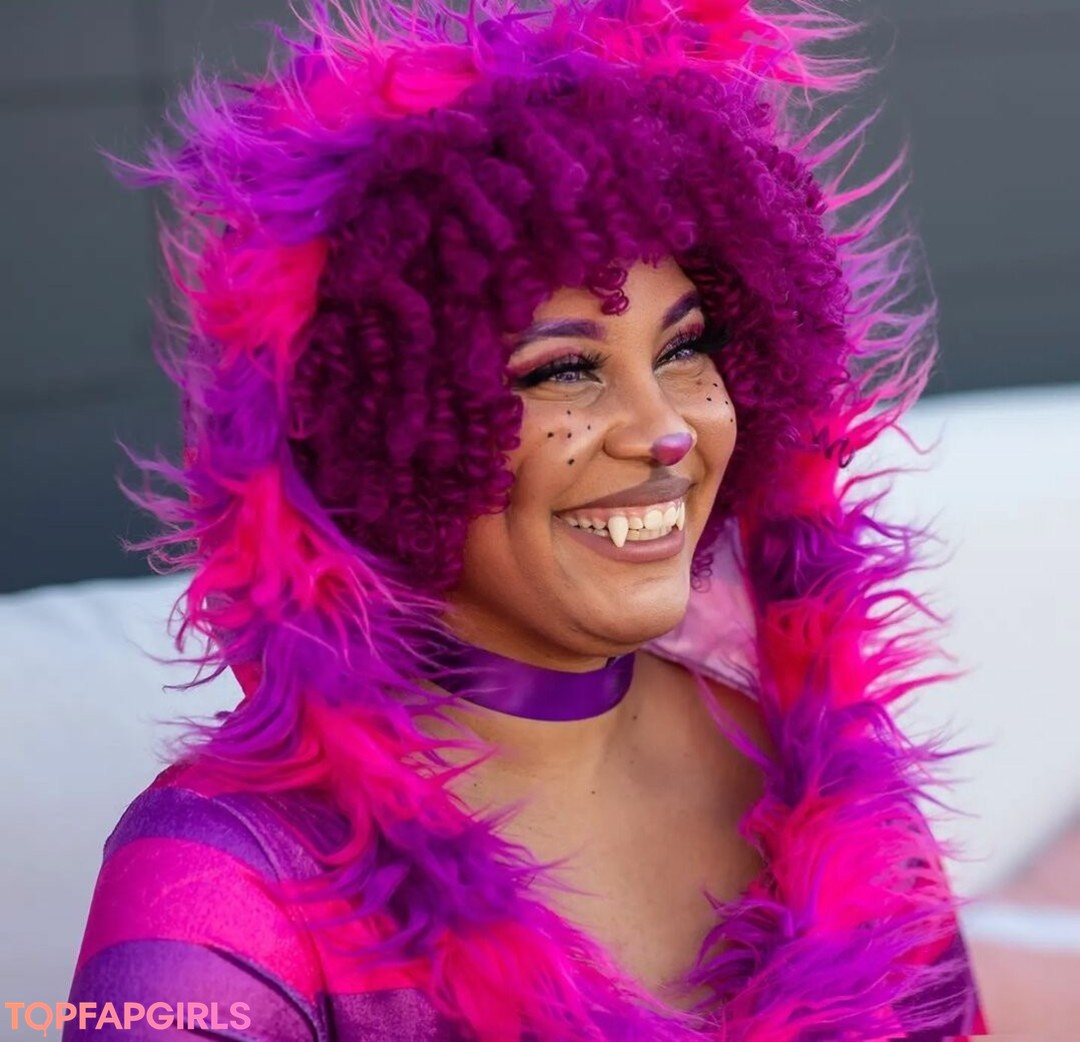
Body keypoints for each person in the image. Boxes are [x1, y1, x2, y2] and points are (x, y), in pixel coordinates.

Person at [65, 0, 989, 1038]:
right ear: (392, 427)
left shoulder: (833, 794)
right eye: (563, 370)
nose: (664, 431)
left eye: (685, 349)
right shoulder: (223, 875)